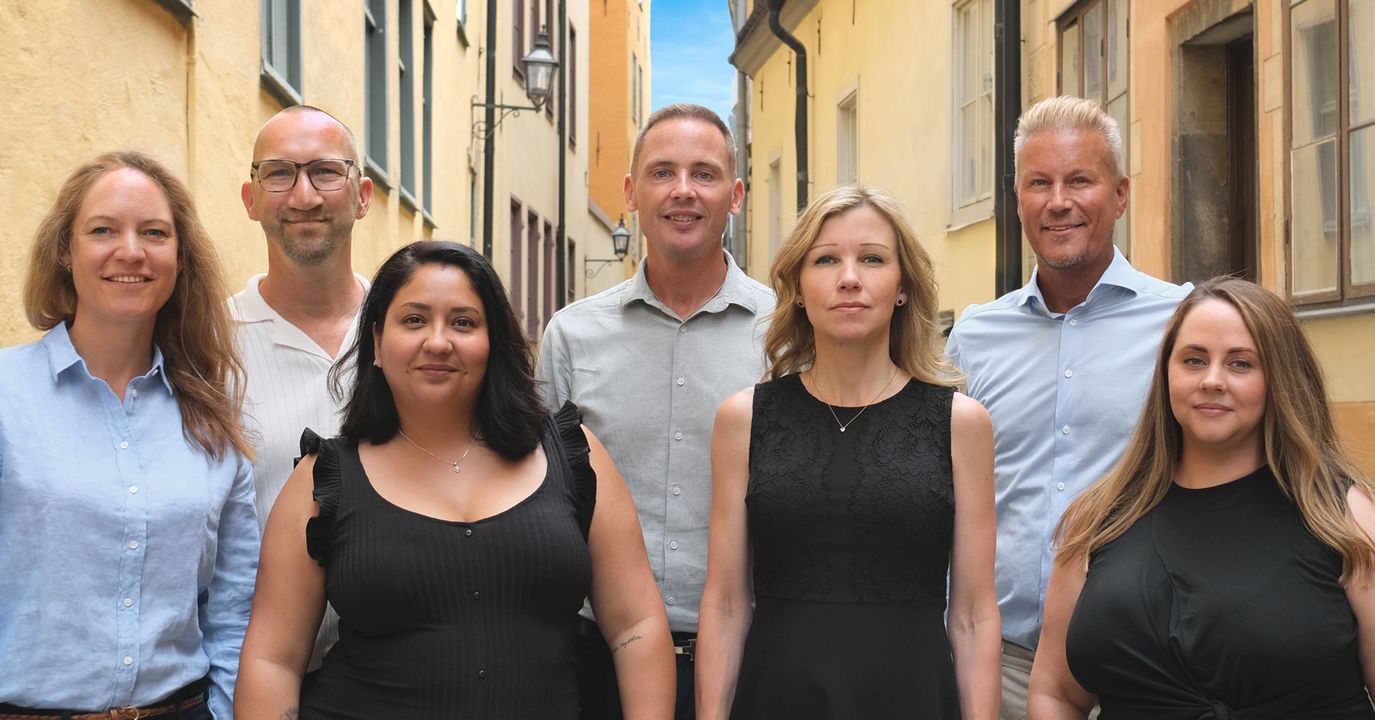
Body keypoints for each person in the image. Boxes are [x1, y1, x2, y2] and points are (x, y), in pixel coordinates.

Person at [235, 241, 674, 719]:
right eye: (414, 320)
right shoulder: (323, 479)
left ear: (494, 342)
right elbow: (272, 661)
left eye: (463, 322)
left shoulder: (571, 454)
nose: (439, 341)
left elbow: (636, 624)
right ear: (377, 343)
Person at [696, 185, 1001, 719]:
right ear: (797, 288)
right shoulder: (744, 419)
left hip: (913, 702)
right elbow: (725, 605)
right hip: (778, 700)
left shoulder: (960, 423)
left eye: (873, 259)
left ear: (902, 286)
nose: (849, 278)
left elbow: (973, 616)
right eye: (826, 260)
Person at [944, 95, 1190, 719]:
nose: (1058, 201)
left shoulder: (1181, 325)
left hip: (1143, 669)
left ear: (1120, 194)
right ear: (1018, 199)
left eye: (1080, 180)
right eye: (1039, 183)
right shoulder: (974, 337)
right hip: (1003, 668)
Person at [1027, 277, 1375, 718]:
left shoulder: (1341, 515)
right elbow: (1055, 693)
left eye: (1240, 364)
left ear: (1281, 379)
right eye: (1193, 360)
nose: (1212, 380)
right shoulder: (1097, 519)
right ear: (1166, 373)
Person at [0, 152, 258, 719]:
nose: (131, 251)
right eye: (103, 230)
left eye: (155, 233)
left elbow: (233, 609)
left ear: (180, 258)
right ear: (64, 251)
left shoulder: (211, 416)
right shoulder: (6, 396)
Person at [536, 103, 773, 719]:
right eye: (662, 172)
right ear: (631, 193)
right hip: (597, 661)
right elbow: (538, 496)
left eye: (704, 173)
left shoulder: (785, 336)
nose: (683, 191)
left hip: (749, 659)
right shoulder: (572, 337)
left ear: (736, 196)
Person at [231, 105, 373, 668]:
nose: (304, 195)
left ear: (363, 195)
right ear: (251, 199)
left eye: (325, 171)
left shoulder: (410, 337)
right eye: (279, 173)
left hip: (397, 677)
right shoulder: (206, 346)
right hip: (252, 672)